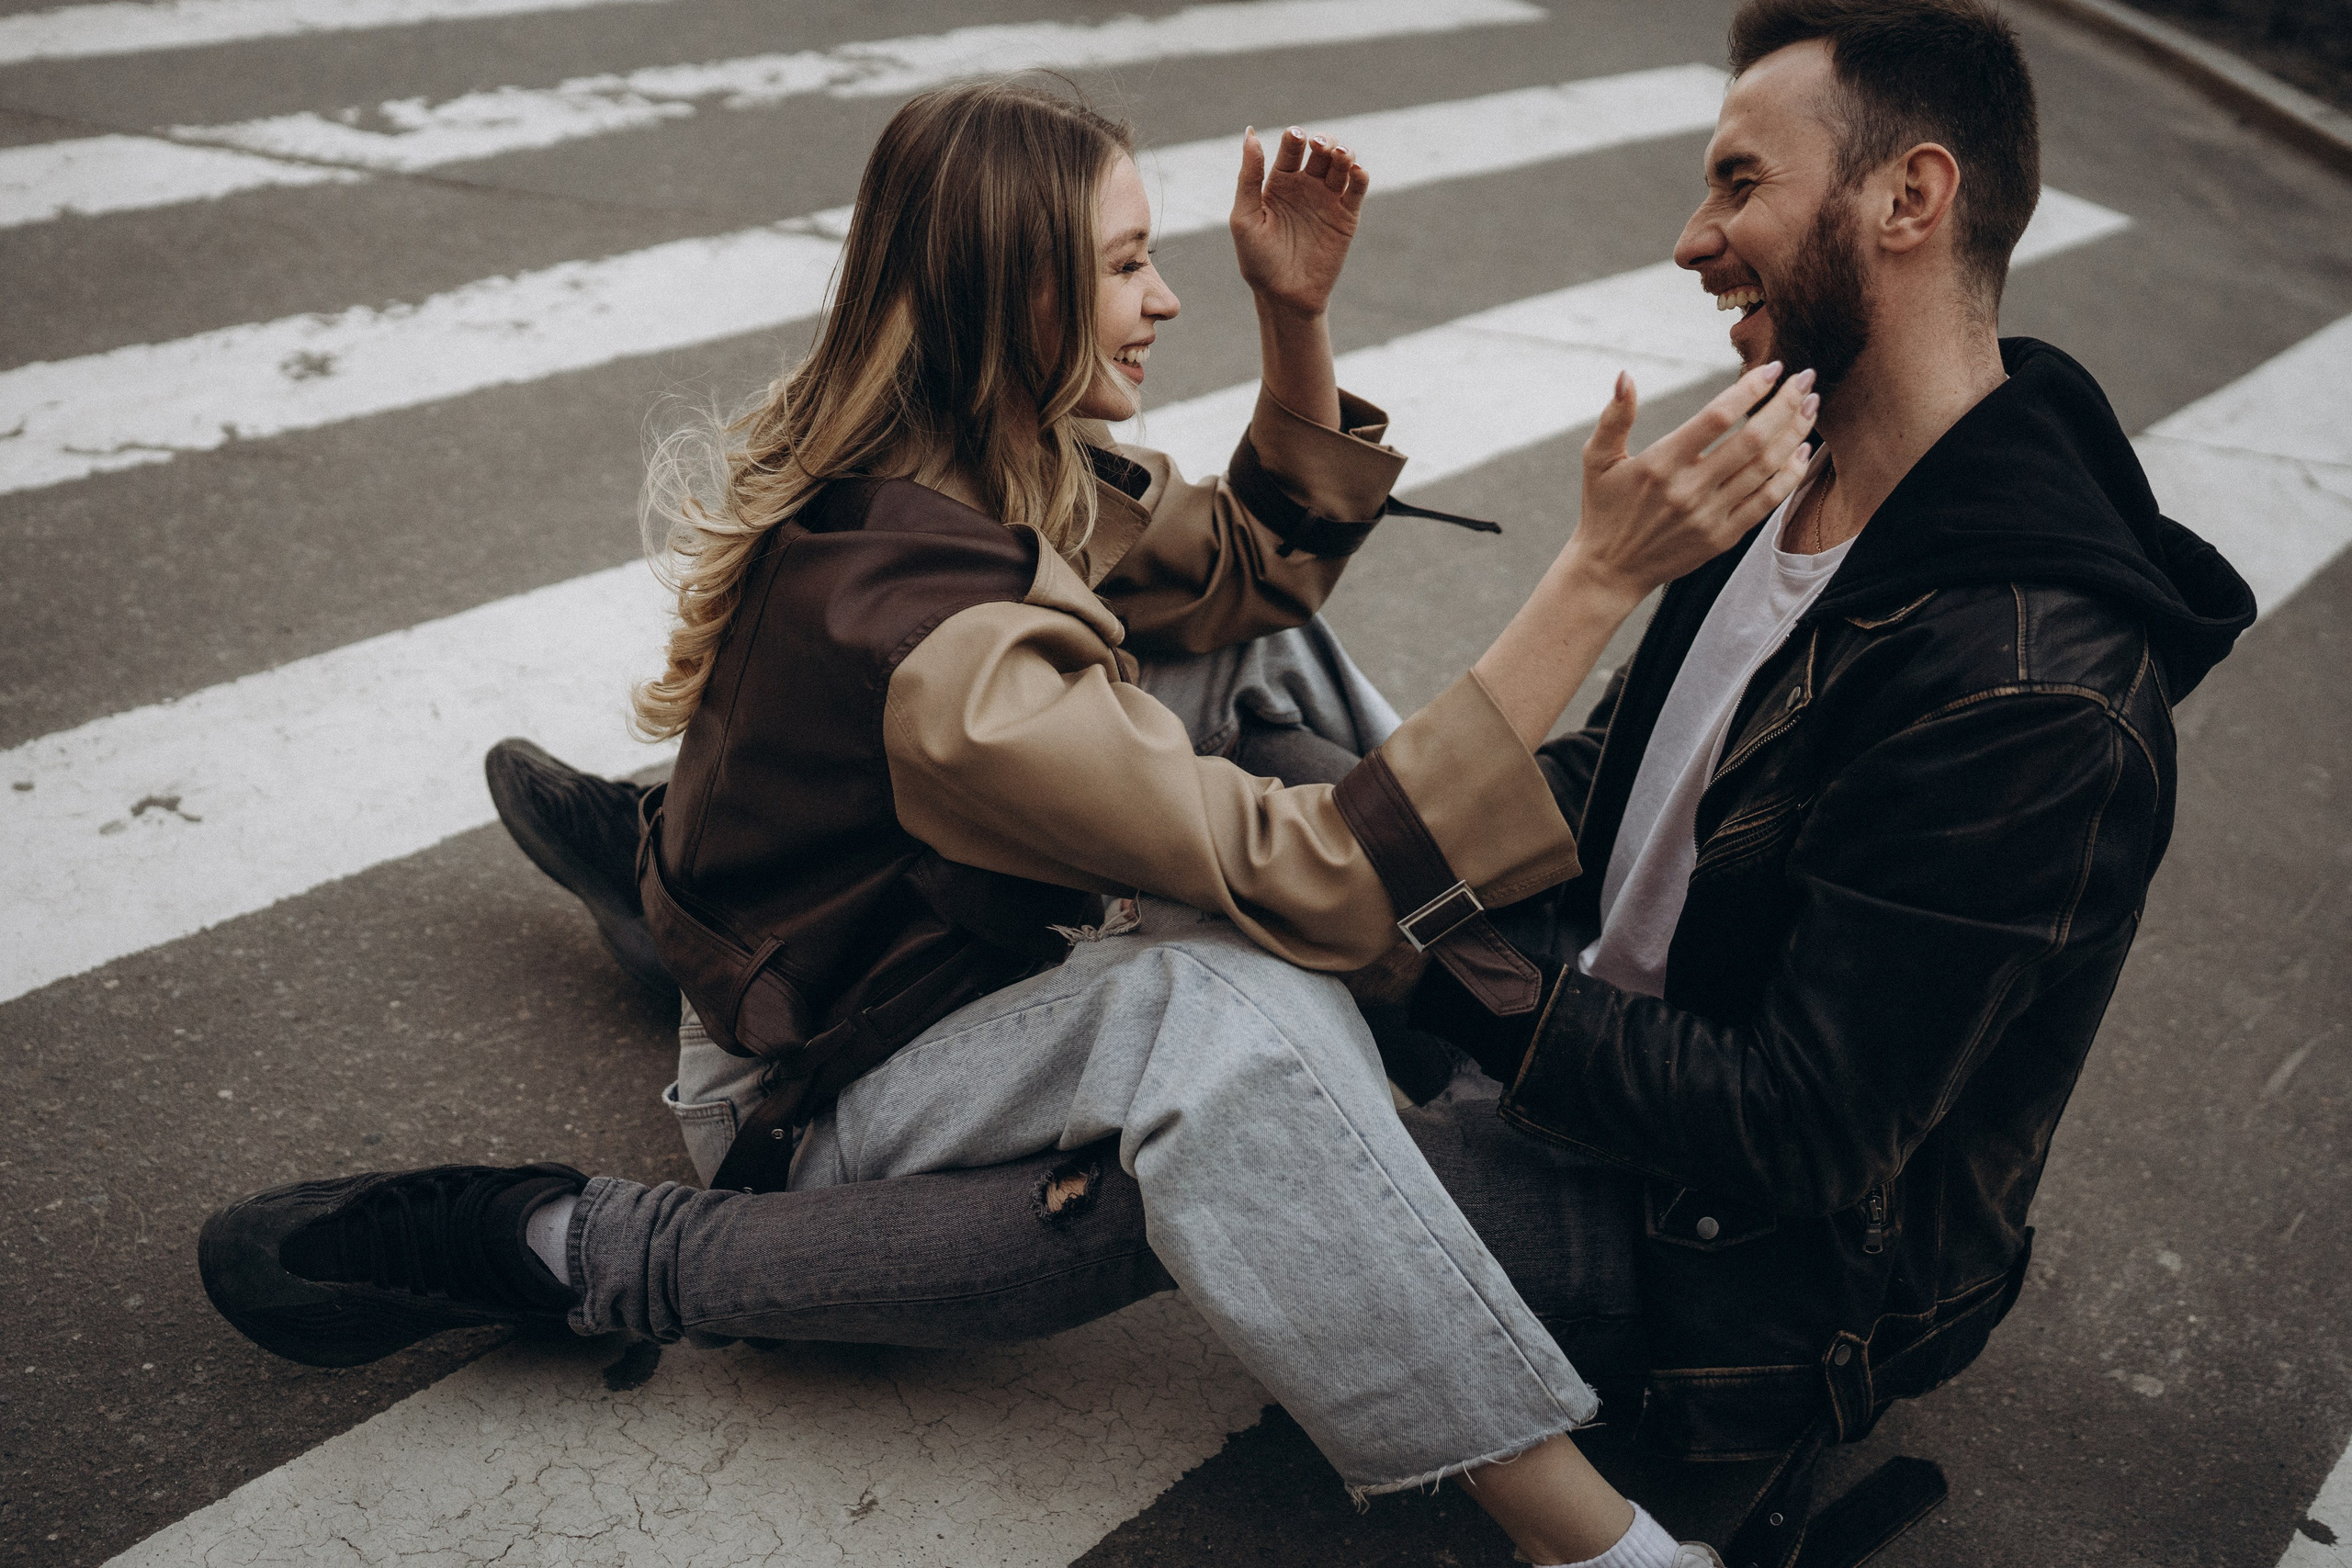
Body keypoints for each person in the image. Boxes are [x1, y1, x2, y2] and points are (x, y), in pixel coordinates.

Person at [198, 73, 1829, 1568]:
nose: (1163, 296)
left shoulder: (1000, 457)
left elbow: (1261, 570)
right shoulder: (958, 655)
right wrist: (1599, 576)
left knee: (1255, 653)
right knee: (1232, 1018)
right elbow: (1322, 889)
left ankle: (674, 880)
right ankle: (1605, 1551)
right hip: (815, 1100)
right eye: (1129, 266)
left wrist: (1295, 315)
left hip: (894, 938)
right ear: (1023, 292)